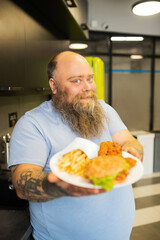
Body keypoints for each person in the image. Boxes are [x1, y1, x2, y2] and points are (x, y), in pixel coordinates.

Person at [9, 51, 143, 240]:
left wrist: (133, 151)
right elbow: (22, 182)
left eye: (90, 78)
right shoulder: (32, 124)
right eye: (76, 81)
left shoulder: (104, 110)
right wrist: (61, 187)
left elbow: (129, 141)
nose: (87, 87)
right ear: (53, 85)